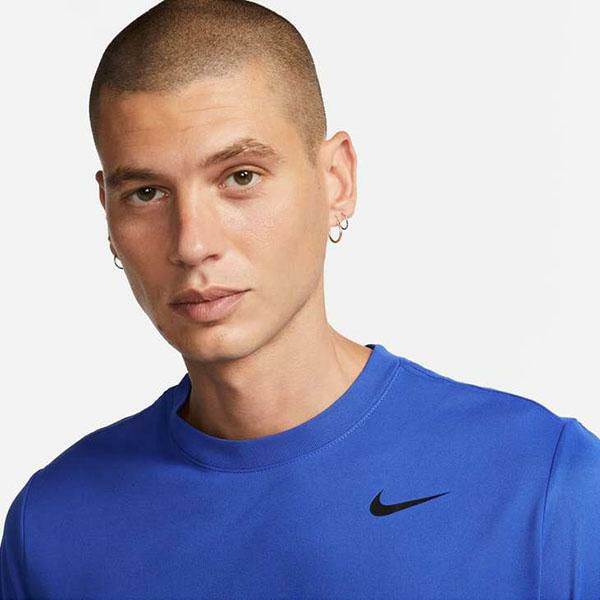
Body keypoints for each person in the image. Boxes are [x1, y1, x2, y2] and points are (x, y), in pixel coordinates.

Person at [1, 0, 599, 598]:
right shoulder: (51, 529)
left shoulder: (547, 484)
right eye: (147, 192)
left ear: (336, 180)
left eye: (241, 177)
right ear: (107, 211)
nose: (192, 244)